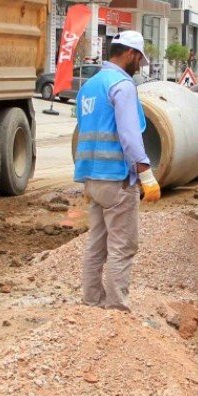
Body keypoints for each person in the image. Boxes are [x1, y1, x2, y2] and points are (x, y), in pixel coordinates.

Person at [73, 30, 161, 310]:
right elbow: (129, 135)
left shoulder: (90, 86)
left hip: (92, 178)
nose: (140, 66)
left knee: (96, 245)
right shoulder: (121, 86)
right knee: (123, 246)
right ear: (131, 54)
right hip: (116, 179)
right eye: (139, 59)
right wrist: (146, 174)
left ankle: (91, 301)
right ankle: (116, 309)